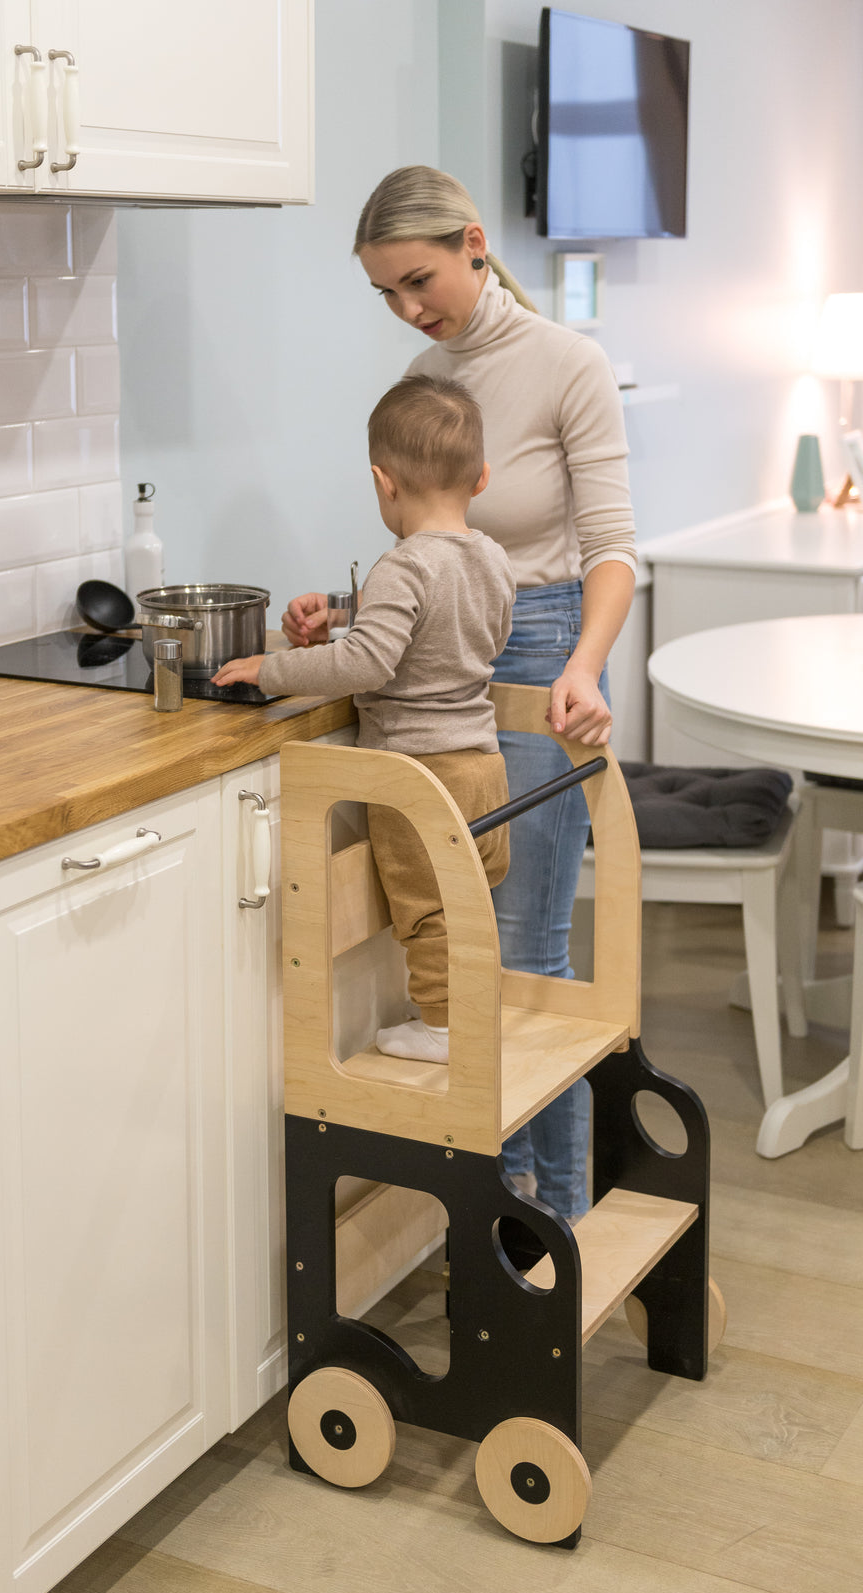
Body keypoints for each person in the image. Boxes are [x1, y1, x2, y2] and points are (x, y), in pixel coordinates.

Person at [281, 167, 637, 1222]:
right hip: (447, 670)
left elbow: (614, 548)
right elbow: (433, 555)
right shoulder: (428, 372)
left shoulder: (570, 363)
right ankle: (496, 1214)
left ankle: (550, 1224)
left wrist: (581, 665)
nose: (407, 307)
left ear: (475, 244)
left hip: (544, 651)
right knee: (453, 950)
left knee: (524, 960)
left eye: (418, 279)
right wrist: (344, 619)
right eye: (387, 292)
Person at [215, 373, 515, 1062]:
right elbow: (465, 630)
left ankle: (443, 1027)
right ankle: (472, 1012)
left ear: (384, 483)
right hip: (483, 763)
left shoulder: (403, 566)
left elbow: (367, 666)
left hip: (421, 774)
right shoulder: (493, 558)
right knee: (473, 902)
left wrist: (272, 669)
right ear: (482, 478)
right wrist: (345, 611)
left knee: (428, 910)